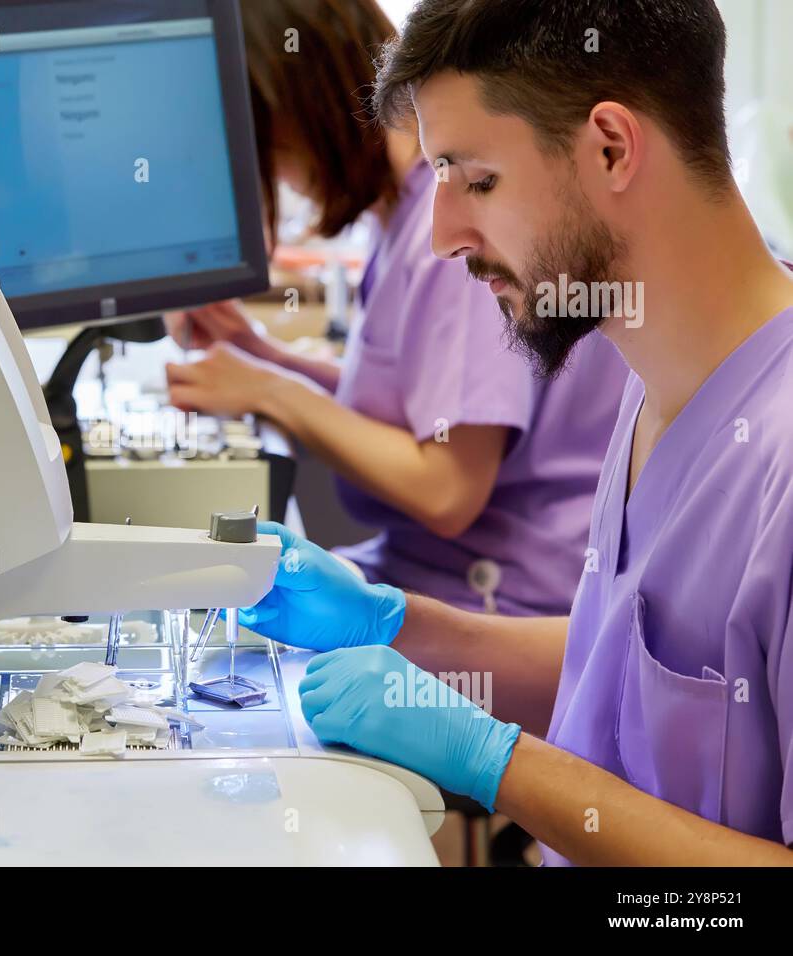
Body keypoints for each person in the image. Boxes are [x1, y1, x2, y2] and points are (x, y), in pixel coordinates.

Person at [248, 0, 793, 865]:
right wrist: (398, 625)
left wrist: (496, 764)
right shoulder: (658, 368)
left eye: (477, 180)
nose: (442, 236)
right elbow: (625, 676)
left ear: (611, 147)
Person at [165, 0, 626, 618]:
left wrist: (270, 391)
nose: (279, 179)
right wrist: (261, 354)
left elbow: (447, 488)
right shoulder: (400, 216)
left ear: (308, 110)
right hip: (427, 571)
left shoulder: (453, 242)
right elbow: (419, 406)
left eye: (270, 151)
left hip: (499, 603)